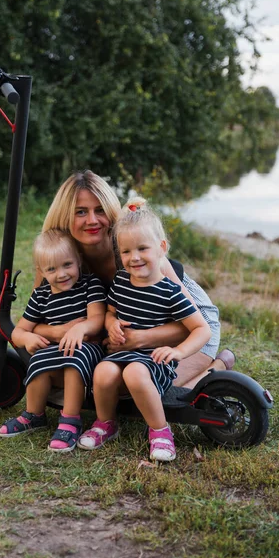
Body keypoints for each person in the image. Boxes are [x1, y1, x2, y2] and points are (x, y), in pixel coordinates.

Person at [32, 170, 234, 390]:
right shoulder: (60, 257)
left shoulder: (133, 251)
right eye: (80, 212)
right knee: (104, 384)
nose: (92, 220)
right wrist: (58, 332)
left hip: (191, 322)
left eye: (100, 210)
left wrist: (138, 339)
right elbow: (38, 318)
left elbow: (192, 327)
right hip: (133, 329)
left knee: (149, 389)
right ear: (65, 216)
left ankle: (217, 368)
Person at [77, 197, 212, 461]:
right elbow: (111, 311)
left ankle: (160, 431)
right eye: (126, 252)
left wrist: (179, 353)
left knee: (136, 374)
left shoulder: (170, 291)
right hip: (121, 353)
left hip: (154, 358)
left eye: (142, 249)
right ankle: (106, 423)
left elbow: (200, 329)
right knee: (103, 371)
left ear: (161, 248)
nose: (134, 258)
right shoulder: (121, 281)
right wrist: (111, 324)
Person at [0, 229, 106, 452]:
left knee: (73, 359)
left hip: (88, 348)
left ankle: (70, 420)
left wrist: (81, 329)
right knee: (39, 361)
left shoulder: (90, 284)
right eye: (52, 269)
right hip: (56, 350)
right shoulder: (42, 295)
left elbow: (98, 319)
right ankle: (34, 414)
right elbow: (18, 331)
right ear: (41, 271)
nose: (62, 274)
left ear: (79, 261)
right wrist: (27, 337)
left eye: (67, 264)